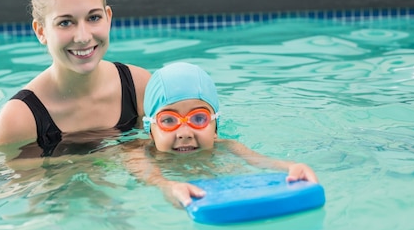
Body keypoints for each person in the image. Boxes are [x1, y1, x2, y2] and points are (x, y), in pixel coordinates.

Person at [0, 0, 151, 160]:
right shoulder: (20, 119)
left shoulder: (139, 88)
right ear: (41, 31)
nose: (83, 37)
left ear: (108, 18)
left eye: (93, 17)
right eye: (65, 22)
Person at [124, 62, 319, 207]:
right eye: (168, 120)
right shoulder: (137, 152)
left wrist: (292, 166)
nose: (184, 133)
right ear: (150, 131)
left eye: (198, 118)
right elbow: (150, 177)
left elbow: (260, 161)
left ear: (215, 128)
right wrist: (168, 186)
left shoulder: (228, 147)